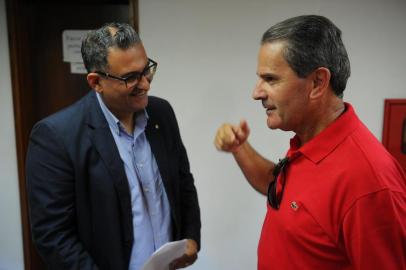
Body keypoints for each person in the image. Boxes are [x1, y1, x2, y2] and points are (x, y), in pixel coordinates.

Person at [214, 15, 406, 270]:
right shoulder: (309, 141)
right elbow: (280, 189)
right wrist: (239, 148)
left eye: (270, 79)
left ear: (317, 82)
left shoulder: (369, 183)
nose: (256, 92)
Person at [26, 22, 201, 270]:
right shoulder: (55, 137)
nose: (146, 84)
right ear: (96, 82)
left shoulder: (162, 113)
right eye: (130, 77)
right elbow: (53, 235)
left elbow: (183, 183)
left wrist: (191, 236)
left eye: (146, 70)